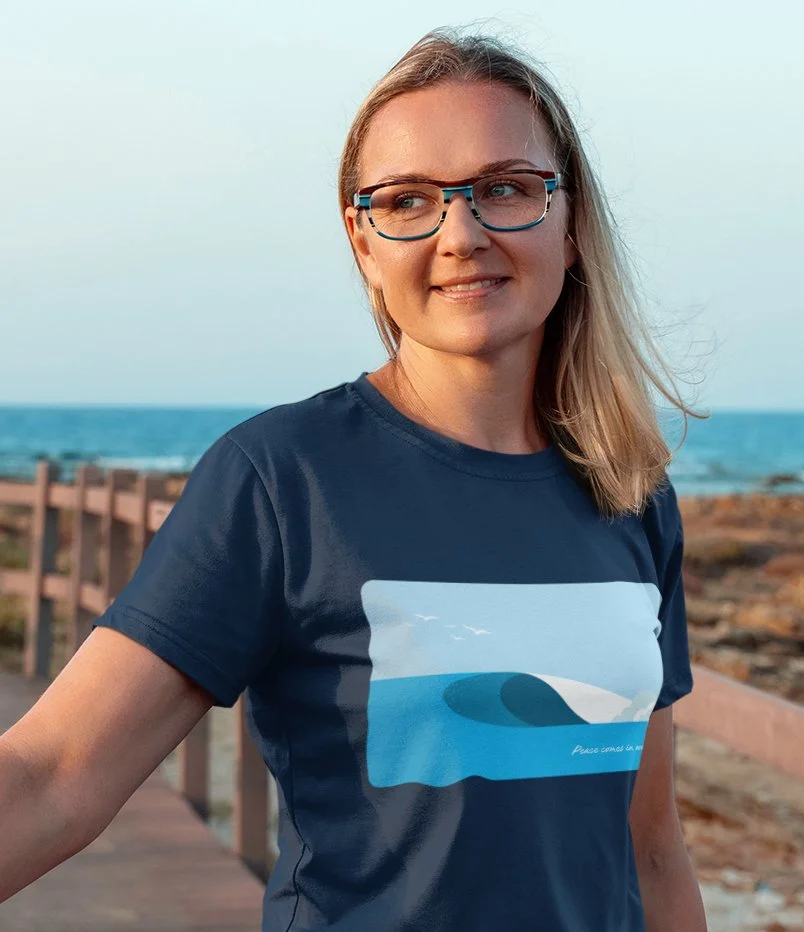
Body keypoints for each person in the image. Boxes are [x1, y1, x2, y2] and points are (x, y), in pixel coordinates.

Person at [0, 27, 708, 932]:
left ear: (569, 225)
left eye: (505, 189)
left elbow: (651, 849)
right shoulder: (281, 481)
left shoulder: (629, 495)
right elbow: (54, 774)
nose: (462, 233)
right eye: (409, 201)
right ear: (364, 242)